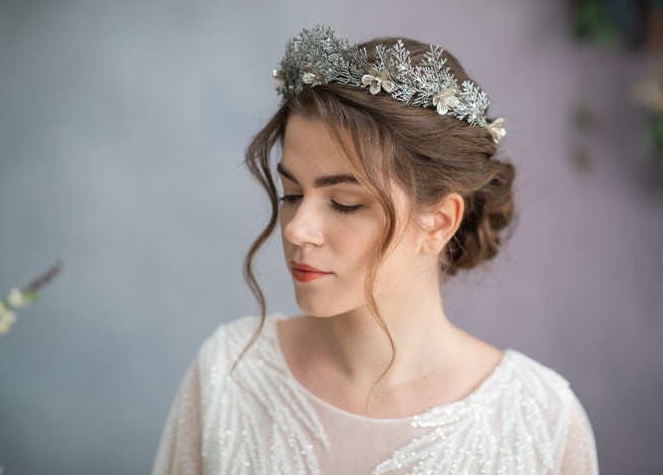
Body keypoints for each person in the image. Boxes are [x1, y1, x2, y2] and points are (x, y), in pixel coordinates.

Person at [151, 25, 599, 475]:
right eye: (291, 194)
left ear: (439, 222)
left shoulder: (541, 422)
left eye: (345, 204)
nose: (298, 230)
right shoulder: (228, 374)